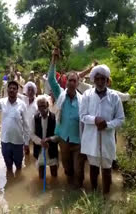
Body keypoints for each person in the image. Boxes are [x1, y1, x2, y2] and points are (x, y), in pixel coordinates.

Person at [80, 65, 125, 194]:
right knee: (93, 168)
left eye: (103, 79)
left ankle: (105, 197)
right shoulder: (87, 95)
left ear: (107, 80)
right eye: (97, 79)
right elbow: (82, 116)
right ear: (93, 80)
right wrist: (95, 120)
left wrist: (108, 124)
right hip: (91, 138)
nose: (100, 82)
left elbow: (121, 119)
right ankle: (94, 195)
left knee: (107, 169)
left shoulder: (114, 97)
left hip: (107, 139)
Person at [48, 48, 86, 188]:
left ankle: (78, 192)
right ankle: (70, 190)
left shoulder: (84, 100)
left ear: (77, 83)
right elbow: (51, 79)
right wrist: (54, 59)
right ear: (67, 82)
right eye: (69, 80)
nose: (71, 83)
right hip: (64, 139)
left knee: (79, 169)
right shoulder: (60, 96)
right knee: (68, 169)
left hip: (78, 141)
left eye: (74, 81)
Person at [0, 81, 30, 173]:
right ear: (7, 89)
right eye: (10, 88)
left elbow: (26, 125)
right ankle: (10, 181)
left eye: (14, 88)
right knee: (8, 167)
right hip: (5, 141)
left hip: (18, 142)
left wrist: (26, 143)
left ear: (17, 91)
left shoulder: (22, 104)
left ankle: (16, 183)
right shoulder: (1, 102)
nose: (12, 90)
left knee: (19, 167)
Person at [30, 95, 58, 179]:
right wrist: (40, 142)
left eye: (43, 105)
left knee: (54, 173)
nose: (41, 108)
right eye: (39, 106)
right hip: (40, 149)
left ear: (47, 105)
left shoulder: (54, 117)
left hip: (52, 148)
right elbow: (32, 134)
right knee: (41, 175)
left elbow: (58, 135)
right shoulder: (34, 118)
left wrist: (49, 139)